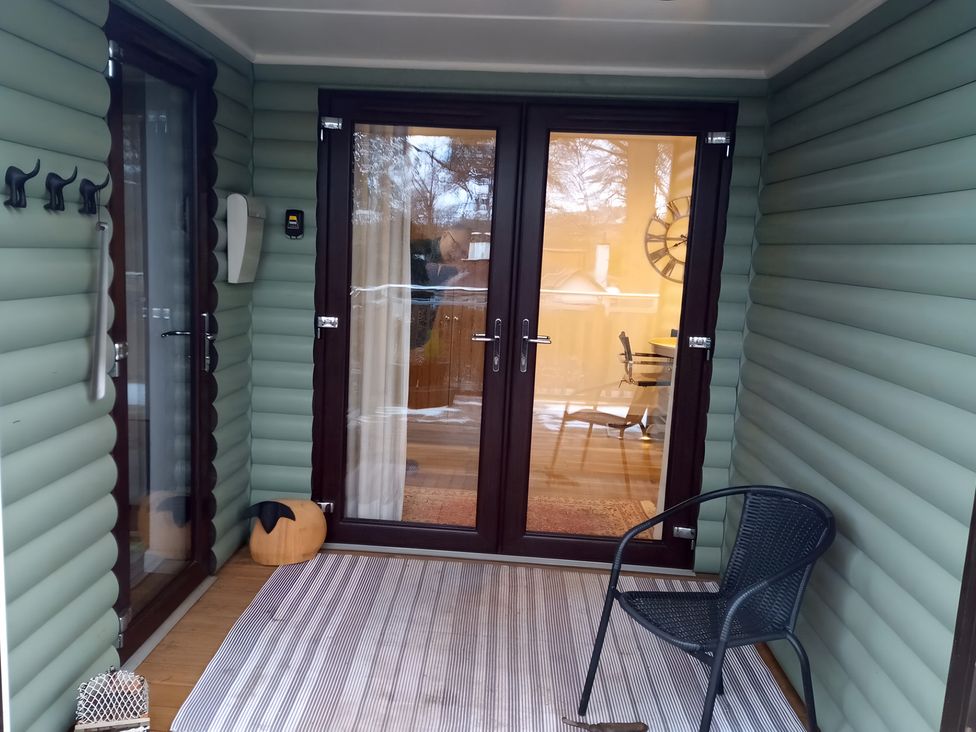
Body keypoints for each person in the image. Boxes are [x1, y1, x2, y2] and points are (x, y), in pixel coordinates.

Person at [409, 226, 471, 349]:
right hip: (405, 327)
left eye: (463, 252)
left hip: (422, 333)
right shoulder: (418, 252)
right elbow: (418, 291)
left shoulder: (452, 270)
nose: (457, 253)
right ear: (444, 235)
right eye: (455, 245)